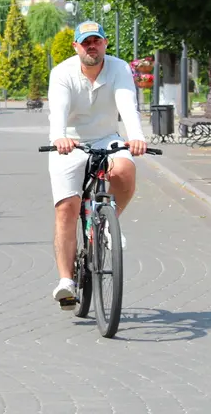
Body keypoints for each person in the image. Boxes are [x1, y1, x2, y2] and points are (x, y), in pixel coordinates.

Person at [48, 21, 147, 310]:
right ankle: (66, 281)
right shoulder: (62, 73)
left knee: (125, 170)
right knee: (66, 207)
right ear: (76, 46)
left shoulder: (119, 68)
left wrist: (137, 137)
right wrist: (59, 137)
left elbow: (127, 104)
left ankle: (105, 222)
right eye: (85, 42)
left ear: (105, 43)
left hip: (106, 138)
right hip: (70, 141)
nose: (92, 46)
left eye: (97, 41)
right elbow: (59, 110)